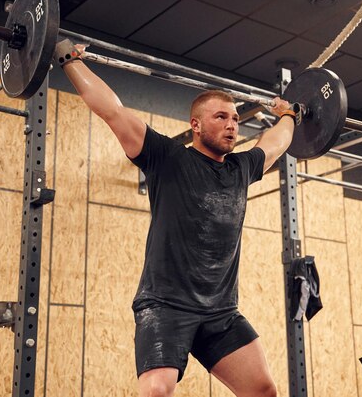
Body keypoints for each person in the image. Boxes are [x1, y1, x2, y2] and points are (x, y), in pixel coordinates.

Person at [54, 39, 296, 397]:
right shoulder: (167, 157)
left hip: (221, 311)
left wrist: (289, 115)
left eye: (234, 119)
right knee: (156, 391)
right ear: (195, 125)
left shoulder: (241, 168)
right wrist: (68, 60)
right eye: (221, 117)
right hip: (165, 306)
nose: (232, 125)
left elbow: (277, 141)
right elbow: (113, 112)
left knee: (263, 390)